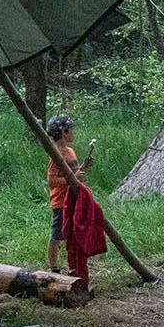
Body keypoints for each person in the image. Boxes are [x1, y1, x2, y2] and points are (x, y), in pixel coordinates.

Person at [44, 114, 94, 273]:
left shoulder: (70, 151)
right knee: (57, 234)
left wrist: (84, 167)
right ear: (64, 132)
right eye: (71, 129)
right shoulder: (57, 154)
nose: (73, 133)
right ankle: (53, 267)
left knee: (71, 233)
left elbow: (73, 174)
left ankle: (73, 263)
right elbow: (52, 180)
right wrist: (72, 179)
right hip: (61, 201)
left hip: (72, 198)